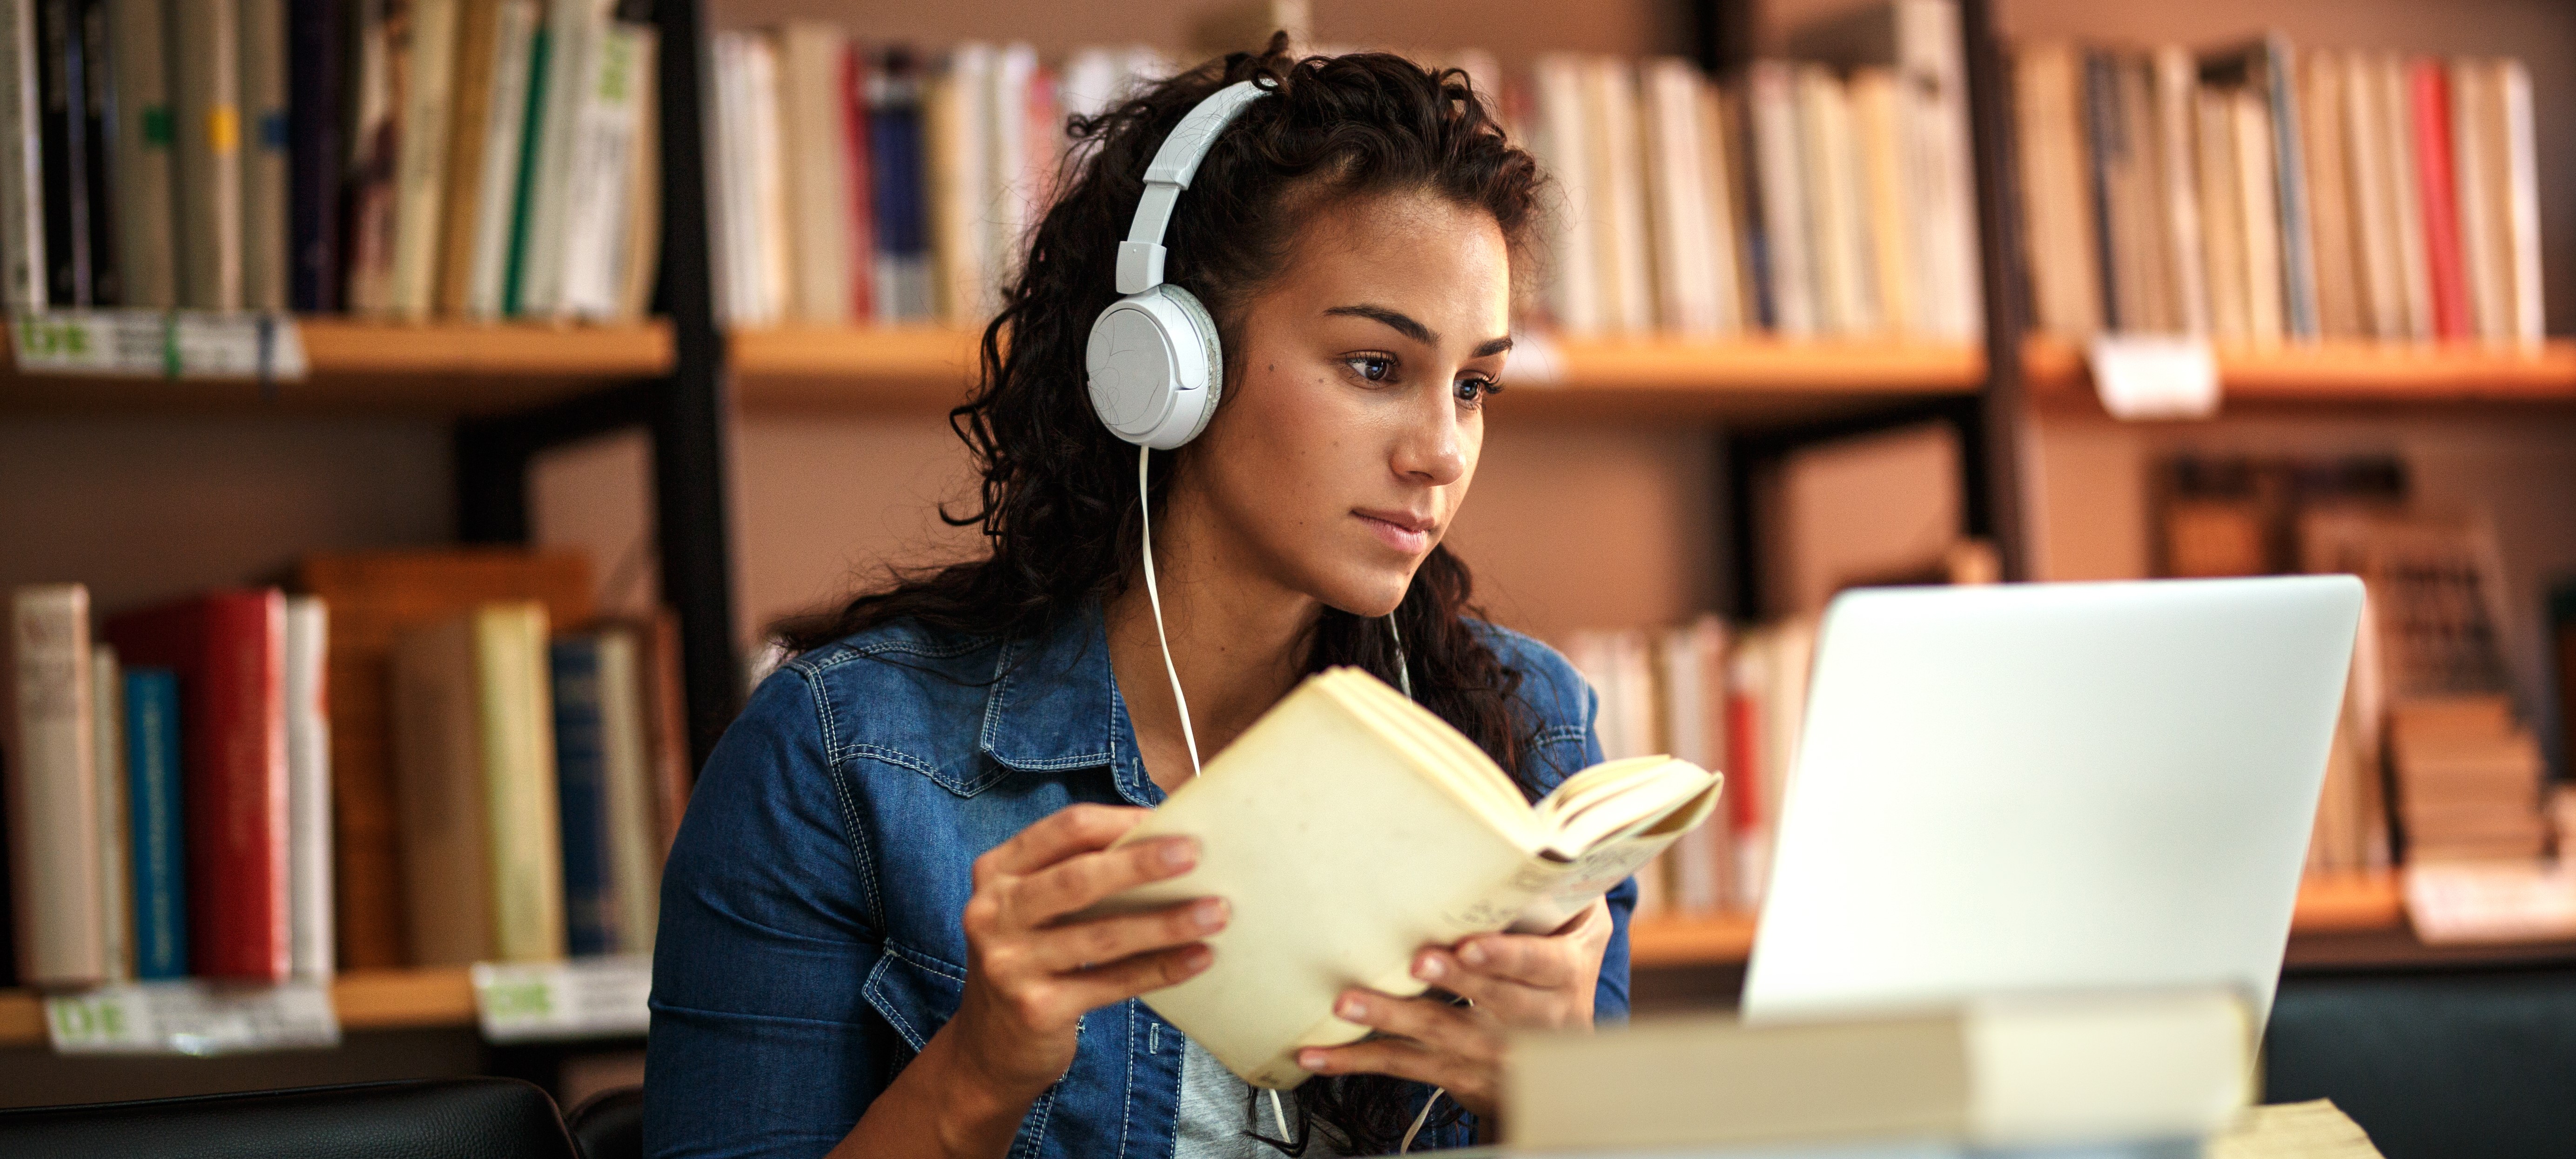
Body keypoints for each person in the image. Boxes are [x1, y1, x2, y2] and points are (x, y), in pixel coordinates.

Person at [645, 37, 1634, 1159]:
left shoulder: (1530, 738)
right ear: (1167, 364)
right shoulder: (839, 760)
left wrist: (1550, 1108)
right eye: (1374, 367)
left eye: (1473, 386)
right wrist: (974, 1074)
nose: (1442, 451)